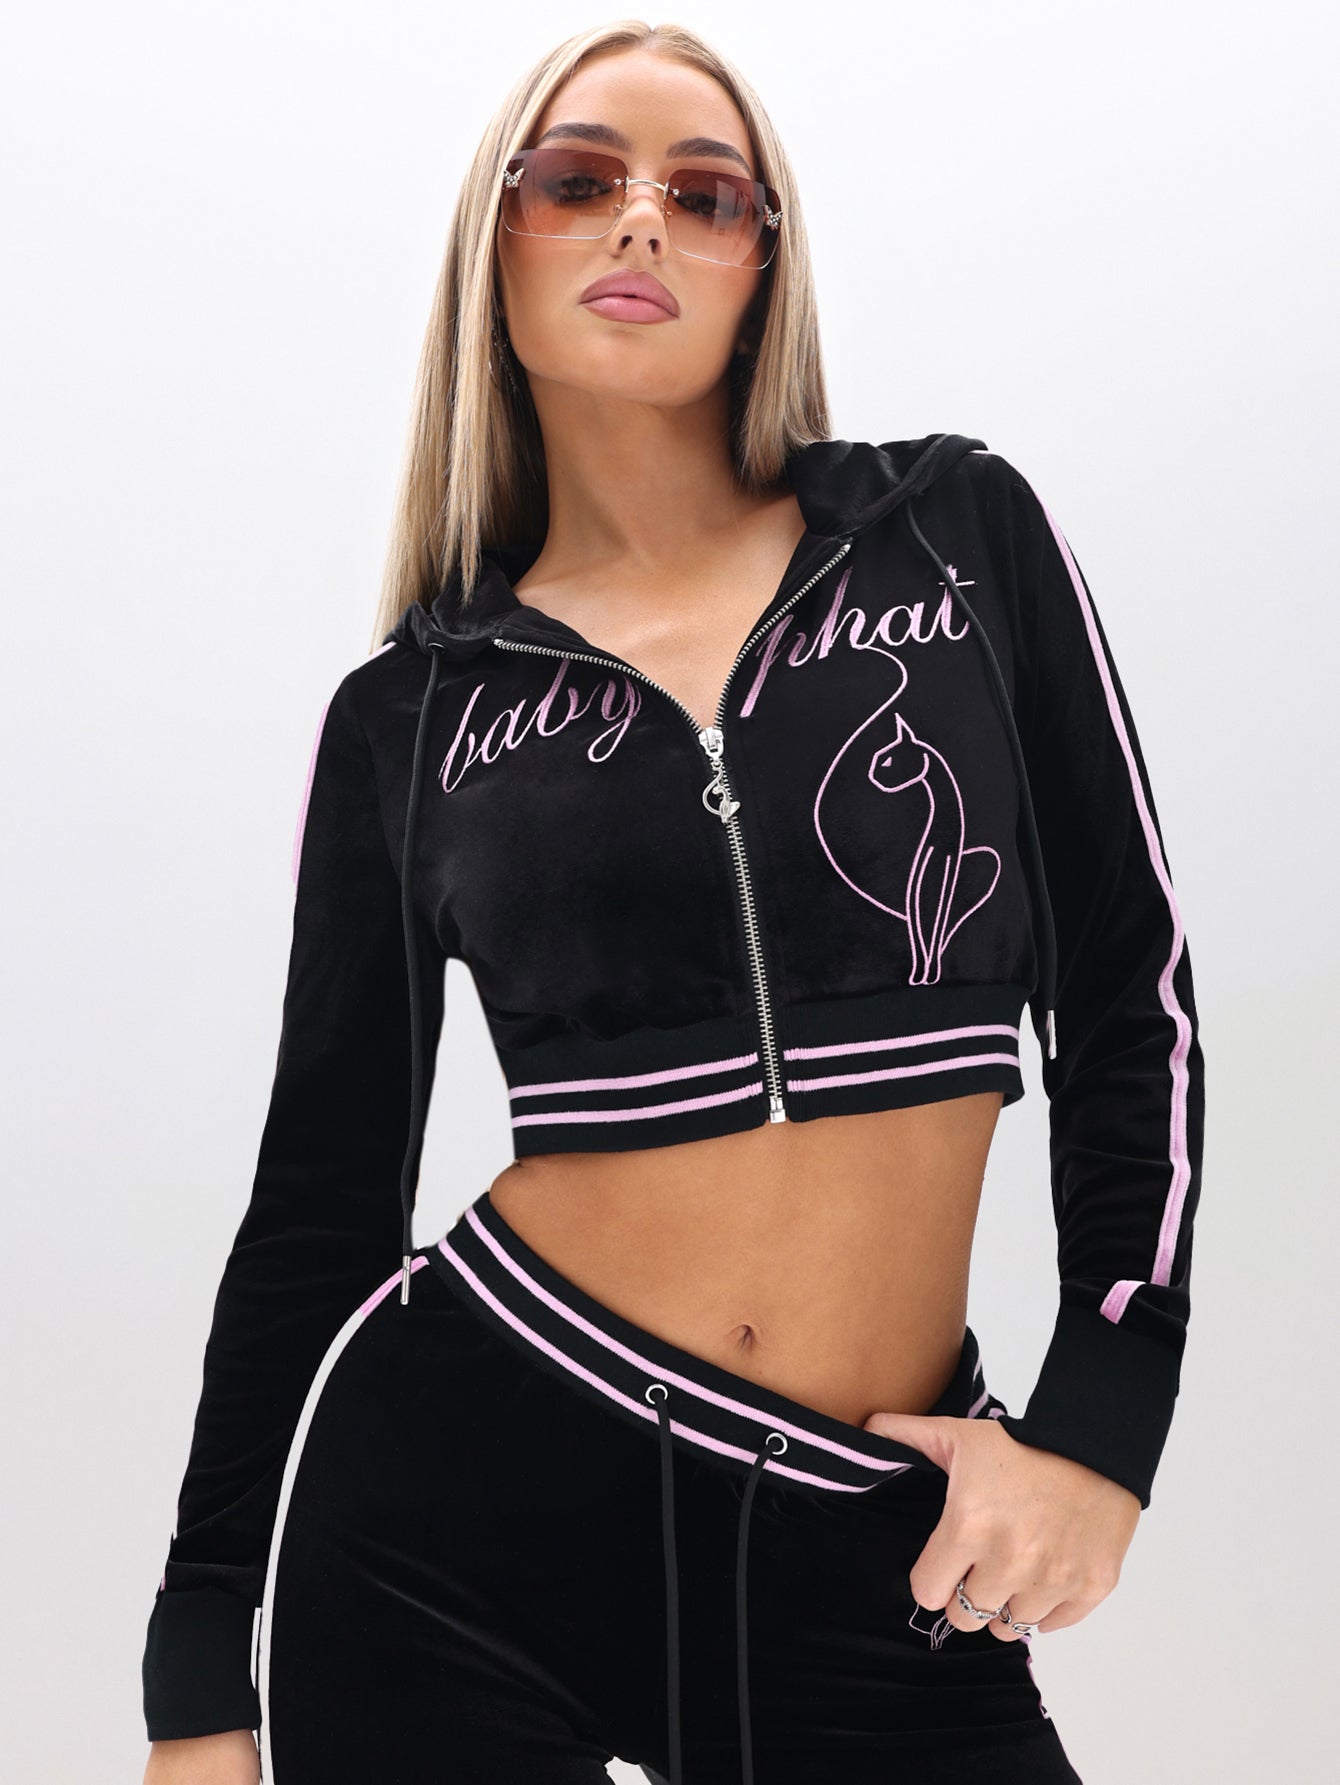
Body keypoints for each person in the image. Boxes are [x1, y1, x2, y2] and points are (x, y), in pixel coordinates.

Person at [140, 20, 1204, 1785]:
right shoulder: (413, 714)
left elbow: (1129, 990)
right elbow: (320, 1204)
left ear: (761, 264)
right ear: (497, 244)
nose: (642, 218)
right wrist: (199, 1675)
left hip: (874, 1536)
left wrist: (1105, 1420)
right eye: (579, 179)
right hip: (445, 1543)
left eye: (705, 194)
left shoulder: (957, 537)